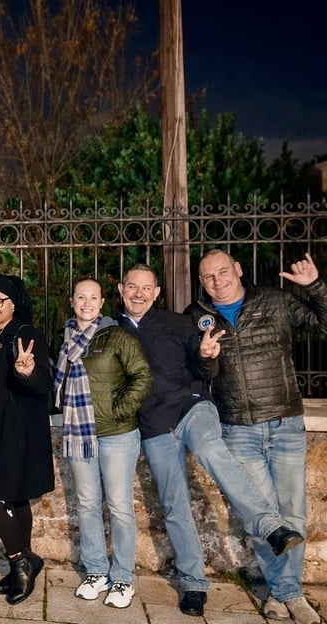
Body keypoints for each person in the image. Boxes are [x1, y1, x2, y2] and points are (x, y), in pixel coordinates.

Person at [117, 263, 307, 617]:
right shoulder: (113, 332)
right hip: (154, 425)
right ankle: (193, 583)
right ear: (121, 289)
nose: (139, 293)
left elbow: (206, 364)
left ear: (157, 292)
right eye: (132, 287)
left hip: (192, 408)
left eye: (146, 288)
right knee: (175, 506)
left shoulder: (177, 323)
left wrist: (206, 357)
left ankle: (269, 525)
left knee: (209, 447)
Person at [185, 250, 327, 624]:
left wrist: (315, 286)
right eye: (208, 276)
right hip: (237, 428)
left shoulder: (274, 301)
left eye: (223, 272)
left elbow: (323, 325)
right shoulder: (196, 316)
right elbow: (198, 371)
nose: (217, 280)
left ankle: (286, 594)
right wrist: (205, 357)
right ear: (202, 282)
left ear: (238, 270)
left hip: (285, 422)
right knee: (262, 514)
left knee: (292, 511)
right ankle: (286, 593)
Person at [54, 277, 152, 609]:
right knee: (87, 504)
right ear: (72, 301)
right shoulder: (67, 339)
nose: (86, 303)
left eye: (92, 297)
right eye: (80, 297)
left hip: (117, 435)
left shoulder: (116, 335)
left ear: (101, 302)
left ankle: (123, 577)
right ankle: (97, 571)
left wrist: (117, 410)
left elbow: (142, 376)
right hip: (80, 434)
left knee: (120, 507)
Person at [0, 274, 54, 604]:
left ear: (14, 304)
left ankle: (19, 562)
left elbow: (43, 383)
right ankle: (28, 561)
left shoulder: (25, 334)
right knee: (14, 496)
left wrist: (26, 372)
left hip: (17, 428)